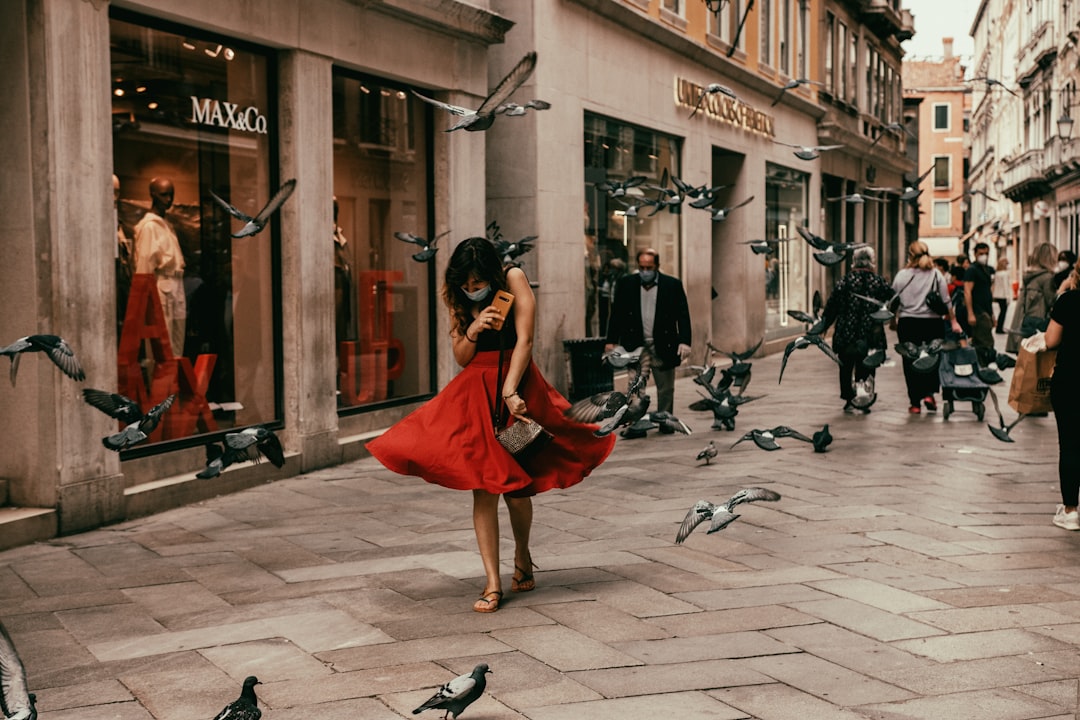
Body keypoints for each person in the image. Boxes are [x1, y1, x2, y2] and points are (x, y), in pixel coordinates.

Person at [366, 237, 615, 613]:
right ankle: (492, 582)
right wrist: (474, 328)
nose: (471, 290)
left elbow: (526, 339)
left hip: (517, 382)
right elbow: (462, 357)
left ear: (491, 274)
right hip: (476, 391)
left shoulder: (513, 278)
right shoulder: (455, 295)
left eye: (476, 283)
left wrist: (511, 389)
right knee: (484, 486)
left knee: (518, 488)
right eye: (465, 285)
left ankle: (522, 554)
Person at [605, 248, 692, 415]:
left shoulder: (672, 285)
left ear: (657, 266)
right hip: (635, 344)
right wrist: (611, 340)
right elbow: (617, 314)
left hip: (663, 344)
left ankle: (665, 418)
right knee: (635, 387)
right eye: (642, 267)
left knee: (665, 388)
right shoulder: (626, 284)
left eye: (649, 268)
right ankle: (636, 423)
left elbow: (683, 315)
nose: (645, 271)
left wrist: (685, 341)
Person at [817, 246, 893, 414]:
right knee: (867, 365)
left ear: (854, 262)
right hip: (870, 332)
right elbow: (893, 299)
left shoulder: (844, 281)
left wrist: (823, 326)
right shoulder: (878, 282)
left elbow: (831, 306)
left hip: (846, 331)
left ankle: (849, 399)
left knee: (845, 365)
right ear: (872, 262)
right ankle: (864, 397)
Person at [891, 241, 962, 414]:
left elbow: (893, 300)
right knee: (932, 358)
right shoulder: (936, 274)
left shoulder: (901, 275)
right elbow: (946, 300)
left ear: (909, 255)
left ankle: (915, 402)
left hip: (908, 323)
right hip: (932, 323)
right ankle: (929, 394)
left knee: (910, 361)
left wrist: (893, 320)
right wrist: (953, 321)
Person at [134, 177, 186, 358]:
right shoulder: (149, 227)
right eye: (164, 195)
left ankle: (174, 383)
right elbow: (144, 264)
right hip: (161, 284)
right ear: (153, 195)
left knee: (178, 341)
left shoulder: (167, 226)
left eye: (171, 195)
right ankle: (161, 384)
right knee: (162, 342)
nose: (169, 200)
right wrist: (142, 299)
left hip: (176, 283)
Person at [1046, 264, 1079, 530]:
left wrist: (1063, 291)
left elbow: (1051, 340)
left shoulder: (1068, 301)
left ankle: (1070, 511)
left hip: (1070, 380)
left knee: (1069, 444)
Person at [1006, 243, 1058, 353]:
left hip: (1027, 321)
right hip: (1041, 324)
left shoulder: (1030, 276)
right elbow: (1053, 302)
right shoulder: (1047, 278)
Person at [963, 242, 996, 366]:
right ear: (975, 254)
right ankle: (983, 368)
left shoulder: (986, 269)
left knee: (983, 342)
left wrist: (992, 314)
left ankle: (982, 368)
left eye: (986, 253)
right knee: (984, 344)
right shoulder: (972, 270)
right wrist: (970, 313)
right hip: (978, 311)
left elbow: (987, 294)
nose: (984, 256)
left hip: (986, 310)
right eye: (981, 254)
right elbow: (967, 291)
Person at [992, 256, 1012, 334]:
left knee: (1001, 311)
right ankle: (999, 328)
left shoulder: (997, 273)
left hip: (997, 294)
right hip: (1003, 295)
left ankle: (999, 327)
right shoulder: (1005, 274)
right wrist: (1008, 297)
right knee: (1003, 312)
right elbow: (1006, 286)